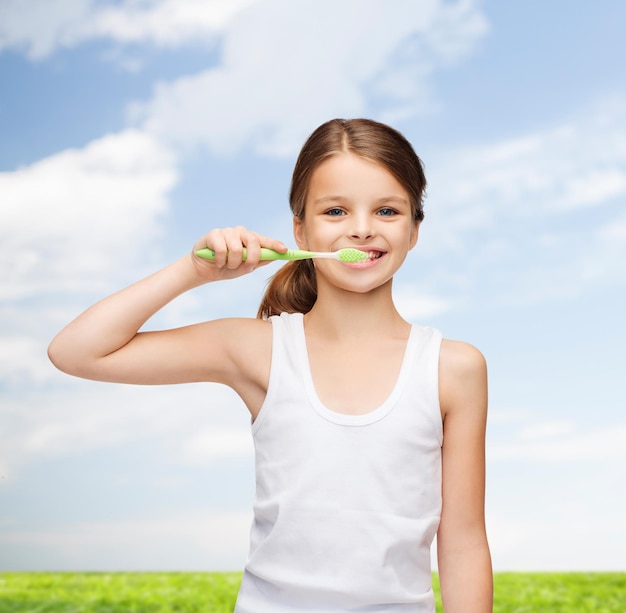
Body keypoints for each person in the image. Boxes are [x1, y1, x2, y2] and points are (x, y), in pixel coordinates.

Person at [48, 118, 493, 612]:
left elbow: (464, 542)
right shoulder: (256, 348)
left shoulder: (453, 368)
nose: (362, 228)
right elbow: (76, 351)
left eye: (387, 210)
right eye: (336, 210)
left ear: (414, 230)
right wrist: (192, 272)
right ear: (300, 228)